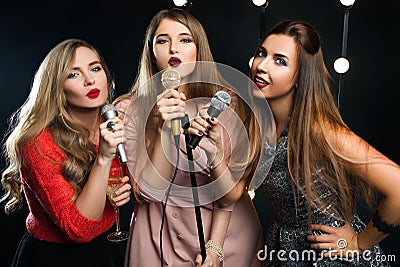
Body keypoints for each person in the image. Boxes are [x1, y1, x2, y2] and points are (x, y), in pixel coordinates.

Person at [203, 19, 400, 266]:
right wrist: (218, 151)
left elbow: (398, 186)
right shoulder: (255, 126)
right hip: (282, 251)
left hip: (327, 255)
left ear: (299, 77)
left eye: (280, 61)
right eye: (261, 54)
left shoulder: (319, 131)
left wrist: (360, 242)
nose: (261, 66)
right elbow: (232, 194)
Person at [113, 8, 263, 267]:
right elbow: (147, 191)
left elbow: (227, 195)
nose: (174, 49)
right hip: (155, 240)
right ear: (151, 51)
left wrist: (215, 248)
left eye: (185, 40)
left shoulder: (222, 104)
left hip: (222, 238)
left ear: (199, 49)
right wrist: (162, 127)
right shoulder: (131, 109)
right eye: (163, 40)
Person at [0, 38, 132, 267]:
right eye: (73, 74)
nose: (90, 79)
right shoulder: (37, 143)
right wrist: (103, 157)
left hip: (106, 250)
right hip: (54, 258)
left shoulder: (113, 124)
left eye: (95, 68)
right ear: (57, 86)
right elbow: (79, 229)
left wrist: (122, 193)